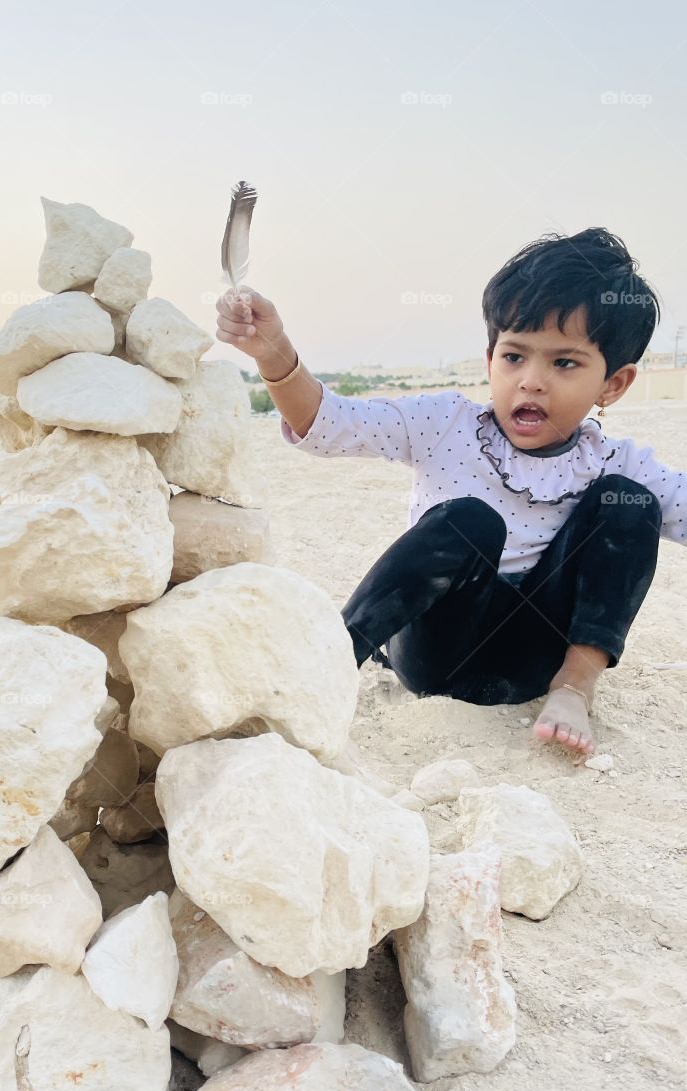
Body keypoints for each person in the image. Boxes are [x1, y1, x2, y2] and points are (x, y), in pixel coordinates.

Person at [215, 227, 687, 757]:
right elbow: (328, 422)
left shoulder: (611, 459)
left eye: (564, 363)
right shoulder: (444, 423)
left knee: (629, 503)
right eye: (514, 356)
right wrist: (272, 349)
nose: (531, 381)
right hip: (437, 651)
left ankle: (575, 689)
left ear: (614, 384)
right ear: (490, 357)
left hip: (532, 665)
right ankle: (329, 662)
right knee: (470, 519)